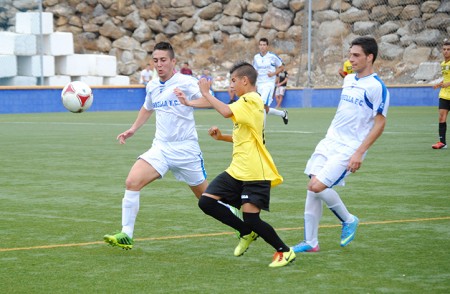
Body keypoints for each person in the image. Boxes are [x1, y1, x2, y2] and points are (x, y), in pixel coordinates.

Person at [177, 61, 296, 268]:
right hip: (237, 170)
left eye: (233, 81)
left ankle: (285, 251)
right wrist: (221, 137)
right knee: (206, 202)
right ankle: (245, 233)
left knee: (252, 219)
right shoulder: (245, 102)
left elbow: (224, 111)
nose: (231, 85)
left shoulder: (251, 100)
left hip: (254, 172)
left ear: (244, 80)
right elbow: (243, 137)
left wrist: (205, 92)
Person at [103, 42, 212, 250]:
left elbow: (209, 101)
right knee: (132, 181)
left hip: (186, 149)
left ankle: (237, 220)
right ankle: (127, 233)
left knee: (206, 201)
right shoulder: (152, 85)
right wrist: (133, 129)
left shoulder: (187, 82)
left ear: (173, 62)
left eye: (163, 60)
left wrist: (189, 103)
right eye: (155, 61)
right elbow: (147, 107)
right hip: (161, 148)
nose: (159, 64)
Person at [292, 36, 390, 253]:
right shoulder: (349, 79)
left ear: (370, 57)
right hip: (329, 141)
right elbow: (348, 77)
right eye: (350, 55)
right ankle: (311, 242)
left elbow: (380, 123)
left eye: (356, 55)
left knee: (317, 186)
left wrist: (359, 153)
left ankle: (348, 219)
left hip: (349, 147)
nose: (351, 59)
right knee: (312, 187)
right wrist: (346, 73)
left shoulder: (377, 87)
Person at [252, 38, 289, 124]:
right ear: (258, 46)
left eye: (264, 45)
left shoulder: (272, 56)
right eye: (260, 45)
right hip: (259, 84)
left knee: (261, 105)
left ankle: (262, 132)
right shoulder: (256, 57)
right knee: (265, 109)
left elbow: (282, 67)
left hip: (269, 83)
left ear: (267, 46)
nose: (262, 47)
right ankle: (283, 114)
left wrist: (273, 73)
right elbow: (254, 71)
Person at [431, 39, 450, 149]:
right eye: (444, 49)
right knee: (441, 118)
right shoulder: (443, 64)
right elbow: (447, 78)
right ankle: (442, 143)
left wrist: (448, 83)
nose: (446, 51)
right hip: (444, 95)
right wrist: (440, 84)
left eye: (448, 49)